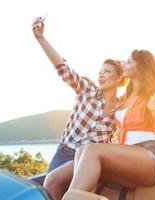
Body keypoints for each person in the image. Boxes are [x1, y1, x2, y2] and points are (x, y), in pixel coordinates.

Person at [45, 49, 155, 200]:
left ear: (140, 67)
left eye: (129, 62)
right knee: (82, 152)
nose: (125, 64)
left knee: (91, 149)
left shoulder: (153, 94)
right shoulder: (125, 97)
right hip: (129, 159)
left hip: (152, 156)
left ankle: (71, 198)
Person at [32, 18, 126, 173]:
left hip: (93, 160)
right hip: (66, 154)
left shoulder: (121, 107)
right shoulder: (87, 89)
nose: (101, 76)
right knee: (51, 188)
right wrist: (41, 38)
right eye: (100, 73)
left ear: (119, 77)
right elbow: (62, 67)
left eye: (107, 71)